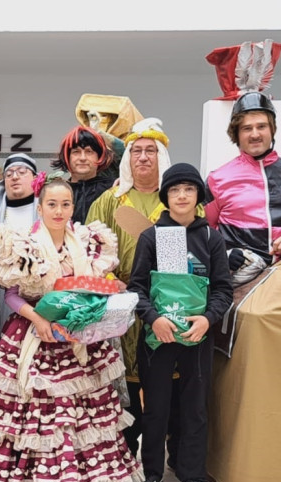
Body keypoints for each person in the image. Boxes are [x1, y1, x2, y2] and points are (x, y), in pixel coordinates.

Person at [0, 175, 142, 482]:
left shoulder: (89, 241)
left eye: (65, 204)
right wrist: (39, 319)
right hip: (34, 335)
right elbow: (12, 295)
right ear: (40, 206)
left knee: (79, 414)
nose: (58, 211)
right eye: (51, 204)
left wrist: (105, 294)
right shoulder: (22, 243)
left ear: (73, 207)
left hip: (78, 337)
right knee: (34, 413)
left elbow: (91, 285)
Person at [125, 163, 233, 482]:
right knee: (155, 406)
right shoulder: (154, 236)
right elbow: (138, 288)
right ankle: (152, 472)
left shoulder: (211, 238)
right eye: (175, 190)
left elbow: (223, 290)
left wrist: (207, 318)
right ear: (166, 197)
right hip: (158, 338)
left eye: (189, 189)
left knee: (194, 408)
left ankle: (192, 476)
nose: (182, 195)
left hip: (197, 338)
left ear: (199, 196)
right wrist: (154, 318)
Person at [86, 118, 183, 458]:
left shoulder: (179, 199)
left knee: (162, 377)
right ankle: (123, 452)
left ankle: (162, 453)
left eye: (151, 151)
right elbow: (91, 250)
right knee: (122, 376)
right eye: (136, 151)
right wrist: (111, 280)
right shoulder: (110, 200)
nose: (143, 157)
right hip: (120, 302)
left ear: (162, 157)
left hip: (165, 303)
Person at [205, 92, 281, 283]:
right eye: (247, 128)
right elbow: (201, 231)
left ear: (272, 129)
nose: (255, 134)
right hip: (239, 278)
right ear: (236, 134)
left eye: (261, 126)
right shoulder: (217, 179)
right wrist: (225, 254)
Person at [0, 153, 39, 328]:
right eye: (9, 174)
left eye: (21, 171)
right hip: (1, 292)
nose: (15, 177)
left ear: (34, 177)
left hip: (38, 295)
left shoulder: (46, 213)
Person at [51, 125, 119, 225]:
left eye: (89, 152)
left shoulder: (113, 188)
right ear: (67, 157)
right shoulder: (55, 190)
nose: (83, 158)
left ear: (99, 156)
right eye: (76, 152)